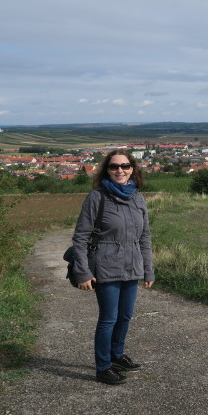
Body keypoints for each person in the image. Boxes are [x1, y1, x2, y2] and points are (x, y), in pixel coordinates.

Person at [70, 150, 155, 385]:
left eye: (125, 166)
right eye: (114, 167)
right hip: (105, 266)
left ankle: (117, 356)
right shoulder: (97, 198)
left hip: (132, 265)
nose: (120, 170)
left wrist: (149, 270)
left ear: (133, 169)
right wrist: (83, 272)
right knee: (109, 317)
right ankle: (103, 366)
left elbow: (145, 237)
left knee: (125, 316)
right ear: (106, 170)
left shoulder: (138, 198)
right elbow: (80, 238)